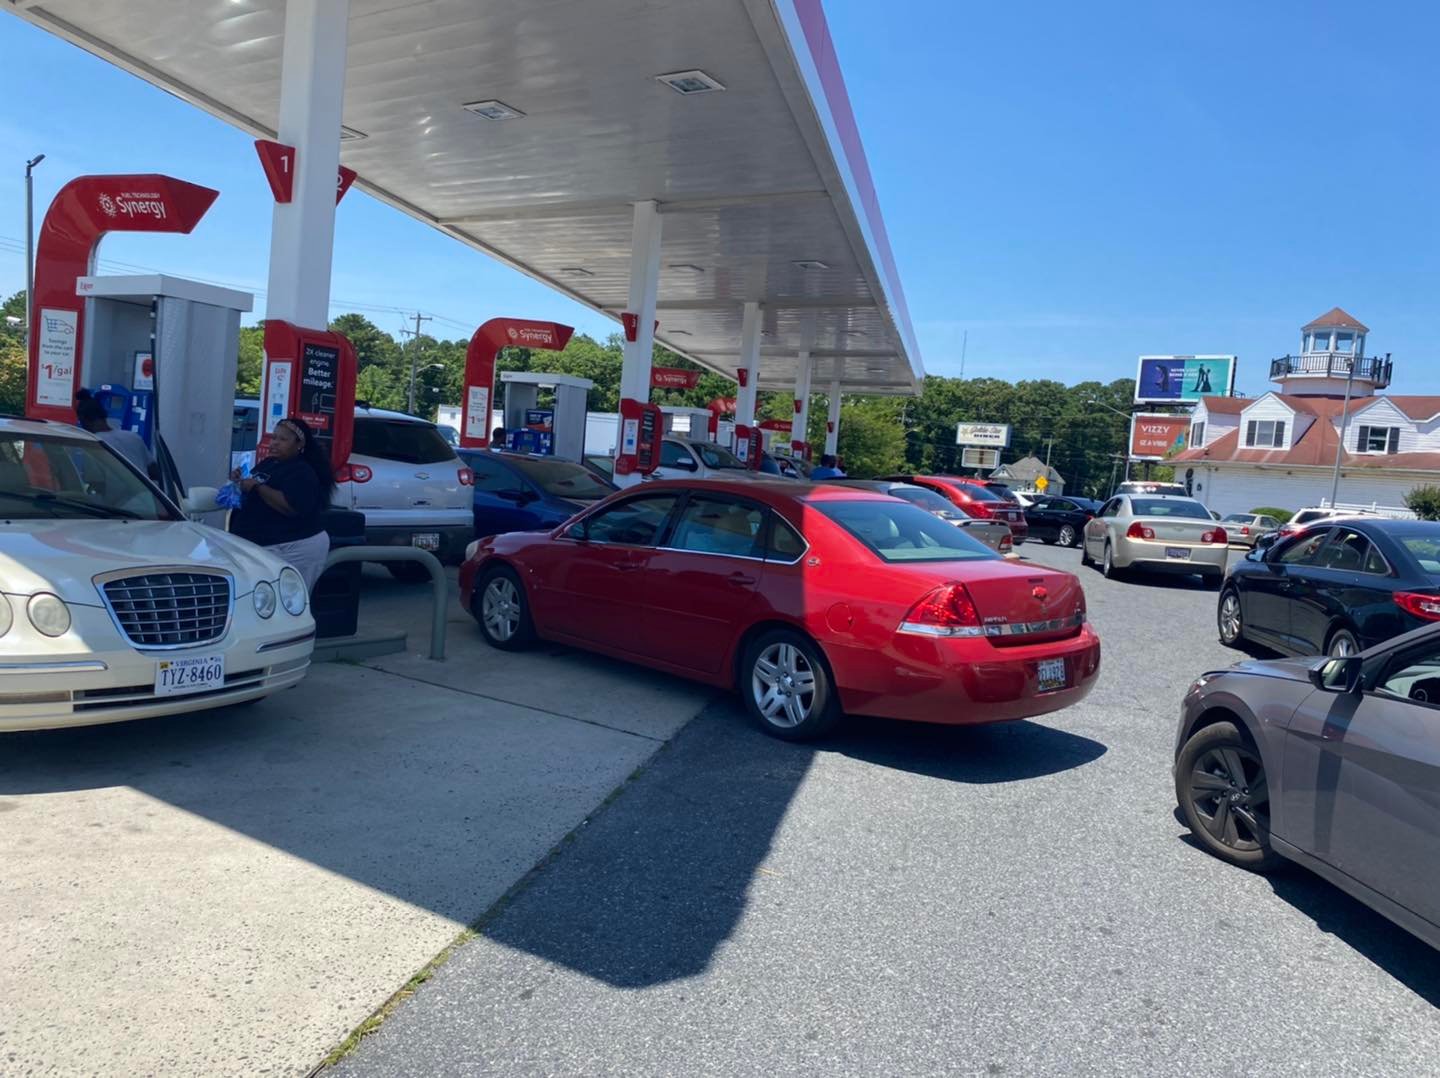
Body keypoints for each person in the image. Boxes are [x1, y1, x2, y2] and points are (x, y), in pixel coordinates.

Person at [228, 416, 334, 592]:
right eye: (274, 437)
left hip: (292, 547)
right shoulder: (269, 463)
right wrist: (240, 480)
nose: (275, 443)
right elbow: (252, 485)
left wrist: (257, 487)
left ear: (299, 444)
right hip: (257, 547)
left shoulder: (302, 471)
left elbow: (290, 507)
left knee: (286, 598)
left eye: (283, 439)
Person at [74, 390, 158, 479]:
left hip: (116, 488)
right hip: (143, 488)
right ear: (104, 415)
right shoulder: (134, 437)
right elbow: (153, 470)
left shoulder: (94, 444)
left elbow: (95, 482)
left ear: (85, 421)